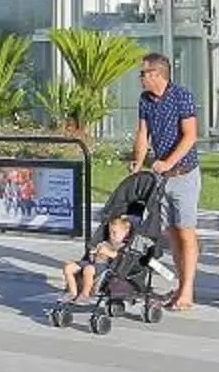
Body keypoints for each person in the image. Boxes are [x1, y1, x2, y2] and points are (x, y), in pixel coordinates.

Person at [130, 55, 202, 311]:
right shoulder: (145, 100)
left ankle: (188, 291)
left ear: (156, 75)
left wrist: (169, 162)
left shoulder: (182, 96)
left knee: (186, 232)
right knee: (171, 233)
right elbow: (142, 133)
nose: (139, 78)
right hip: (161, 177)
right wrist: (137, 162)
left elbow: (191, 135)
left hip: (184, 173)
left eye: (143, 74)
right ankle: (180, 286)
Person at [63, 210, 137, 304]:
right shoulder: (107, 242)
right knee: (69, 267)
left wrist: (108, 252)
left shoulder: (123, 246)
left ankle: (86, 294)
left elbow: (121, 258)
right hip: (92, 263)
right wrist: (93, 252)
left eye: (115, 233)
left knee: (88, 269)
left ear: (126, 232)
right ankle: (72, 292)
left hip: (106, 267)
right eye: (110, 232)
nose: (111, 235)